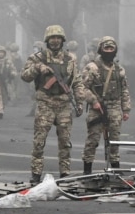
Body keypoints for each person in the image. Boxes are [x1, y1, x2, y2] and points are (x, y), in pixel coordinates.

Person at [20, 25, 89, 183]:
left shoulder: (70, 59)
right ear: (47, 40)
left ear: (62, 40)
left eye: (58, 38)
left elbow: (77, 82)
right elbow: (24, 76)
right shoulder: (38, 58)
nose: (55, 41)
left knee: (65, 142)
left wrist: (79, 102)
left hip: (64, 104)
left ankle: (65, 173)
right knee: (39, 141)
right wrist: (38, 68)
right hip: (45, 103)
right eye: (52, 38)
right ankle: (36, 173)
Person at [80, 36, 132, 174]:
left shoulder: (119, 69)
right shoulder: (92, 67)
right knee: (93, 140)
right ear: (100, 49)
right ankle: (87, 171)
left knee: (114, 141)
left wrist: (126, 109)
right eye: (106, 48)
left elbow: (124, 90)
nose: (109, 51)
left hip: (114, 108)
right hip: (97, 109)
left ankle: (115, 169)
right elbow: (82, 88)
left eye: (111, 48)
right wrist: (94, 101)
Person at [0, 46, 17, 119]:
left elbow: (13, 69)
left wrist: (12, 74)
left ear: (4, 53)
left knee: (5, 98)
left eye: (2, 52)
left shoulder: (8, 61)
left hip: (6, 82)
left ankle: (1, 108)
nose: (1, 54)